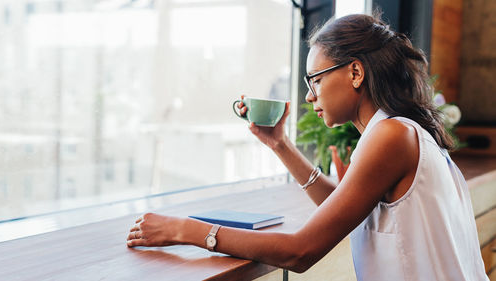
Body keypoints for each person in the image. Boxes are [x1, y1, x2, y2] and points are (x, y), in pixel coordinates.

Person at [127, 14, 489, 281]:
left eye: (314, 78)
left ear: (355, 73)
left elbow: (300, 252)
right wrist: (280, 144)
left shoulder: (390, 136)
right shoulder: (399, 130)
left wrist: (185, 230)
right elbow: (345, 209)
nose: (309, 94)